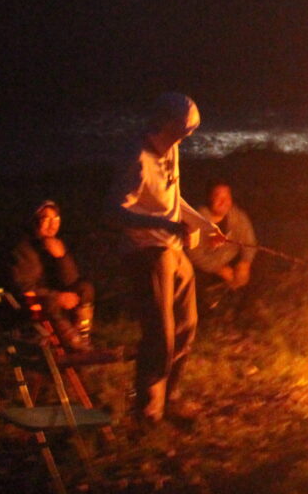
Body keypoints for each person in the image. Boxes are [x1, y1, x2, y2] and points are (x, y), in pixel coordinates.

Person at [106, 92, 227, 426]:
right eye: (183, 129)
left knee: (187, 324)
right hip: (146, 251)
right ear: (166, 123)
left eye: (190, 131)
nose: (186, 137)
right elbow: (114, 211)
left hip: (173, 248)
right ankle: (147, 412)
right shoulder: (137, 158)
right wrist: (165, 225)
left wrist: (206, 224)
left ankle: (170, 398)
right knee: (161, 334)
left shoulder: (171, 150)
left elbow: (173, 197)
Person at [10, 200, 95, 350]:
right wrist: (57, 297)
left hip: (52, 299)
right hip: (31, 305)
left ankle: (83, 337)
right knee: (50, 302)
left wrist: (62, 258)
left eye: (56, 218)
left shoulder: (55, 243)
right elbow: (24, 288)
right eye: (46, 219)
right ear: (34, 221)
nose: (52, 224)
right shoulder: (23, 249)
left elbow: (71, 281)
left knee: (84, 288)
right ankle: (73, 343)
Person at [188, 179, 258, 314]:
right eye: (218, 197)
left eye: (226, 197)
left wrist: (245, 263)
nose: (223, 202)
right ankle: (207, 316)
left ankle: (246, 311)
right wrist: (218, 269)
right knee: (195, 286)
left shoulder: (237, 216)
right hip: (205, 269)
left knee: (256, 268)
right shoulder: (197, 220)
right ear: (209, 198)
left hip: (232, 262)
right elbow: (193, 254)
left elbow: (249, 242)